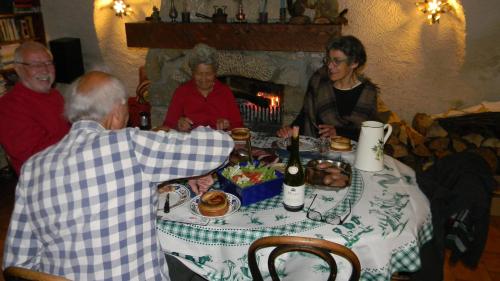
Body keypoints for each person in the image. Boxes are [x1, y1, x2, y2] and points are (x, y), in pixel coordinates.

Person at [2, 71, 234, 280]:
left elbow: (17, 263)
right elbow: (220, 146)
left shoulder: (33, 167)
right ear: (116, 113)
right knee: (203, 271)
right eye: (126, 110)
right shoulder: (129, 144)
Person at [277, 35, 379, 140]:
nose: (330, 66)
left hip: (353, 153)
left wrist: (339, 133)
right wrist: (291, 129)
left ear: (354, 63)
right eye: (328, 59)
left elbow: (370, 134)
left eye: (337, 61)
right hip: (316, 149)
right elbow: (305, 116)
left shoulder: (367, 94)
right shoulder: (319, 81)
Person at [0, 41, 70, 175]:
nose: (45, 70)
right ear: (18, 69)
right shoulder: (8, 107)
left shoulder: (55, 94)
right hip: (43, 177)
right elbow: (35, 156)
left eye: (49, 63)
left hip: (67, 164)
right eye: (35, 65)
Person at [162, 44, 243, 132]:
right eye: (199, 74)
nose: (203, 79)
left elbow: (238, 126)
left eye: (208, 74)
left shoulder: (225, 92)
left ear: (215, 73)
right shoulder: (182, 92)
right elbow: (168, 125)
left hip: (218, 142)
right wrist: (179, 124)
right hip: (190, 142)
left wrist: (227, 125)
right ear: (192, 73)